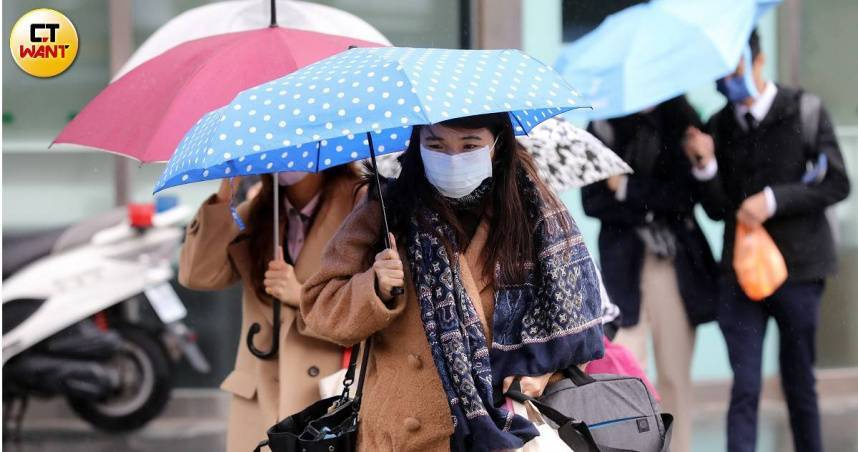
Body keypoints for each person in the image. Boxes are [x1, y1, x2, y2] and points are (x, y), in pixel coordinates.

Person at [300, 113, 605, 451]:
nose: (453, 158)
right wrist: (375, 287)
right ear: (418, 145)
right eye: (436, 145)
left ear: (497, 144)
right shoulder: (385, 209)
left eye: (470, 145)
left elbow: (574, 326)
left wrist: (544, 376)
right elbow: (321, 307)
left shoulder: (535, 218)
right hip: (399, 432)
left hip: (505, 431)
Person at [683, 30, 850, 452]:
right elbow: (718, 209)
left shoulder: (804, 109)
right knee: (745, 385)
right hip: (739, 275)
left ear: (759, 62)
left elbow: (837, 183)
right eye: (720, 77)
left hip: (800, 269)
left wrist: (775, 200)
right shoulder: (718, 125)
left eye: (735, 70)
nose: (728, 83)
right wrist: (706, 167)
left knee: (799, 382)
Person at [178, 164, 363, 452]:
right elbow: (198, 275)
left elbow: (374, 309)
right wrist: (224, 197)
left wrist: (299, 295)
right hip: (259, 402)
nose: (285, 158)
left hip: (325, 402)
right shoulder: (258, 211)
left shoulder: (361, 206)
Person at [582, 96, 719, 452]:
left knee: (674, 375)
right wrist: (645, 204)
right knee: (626, 376)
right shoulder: (604, 127)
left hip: (672, 262)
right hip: (622, 267)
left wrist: (627, 189)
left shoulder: (683, 121)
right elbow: (593, 201)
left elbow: (685, 196)